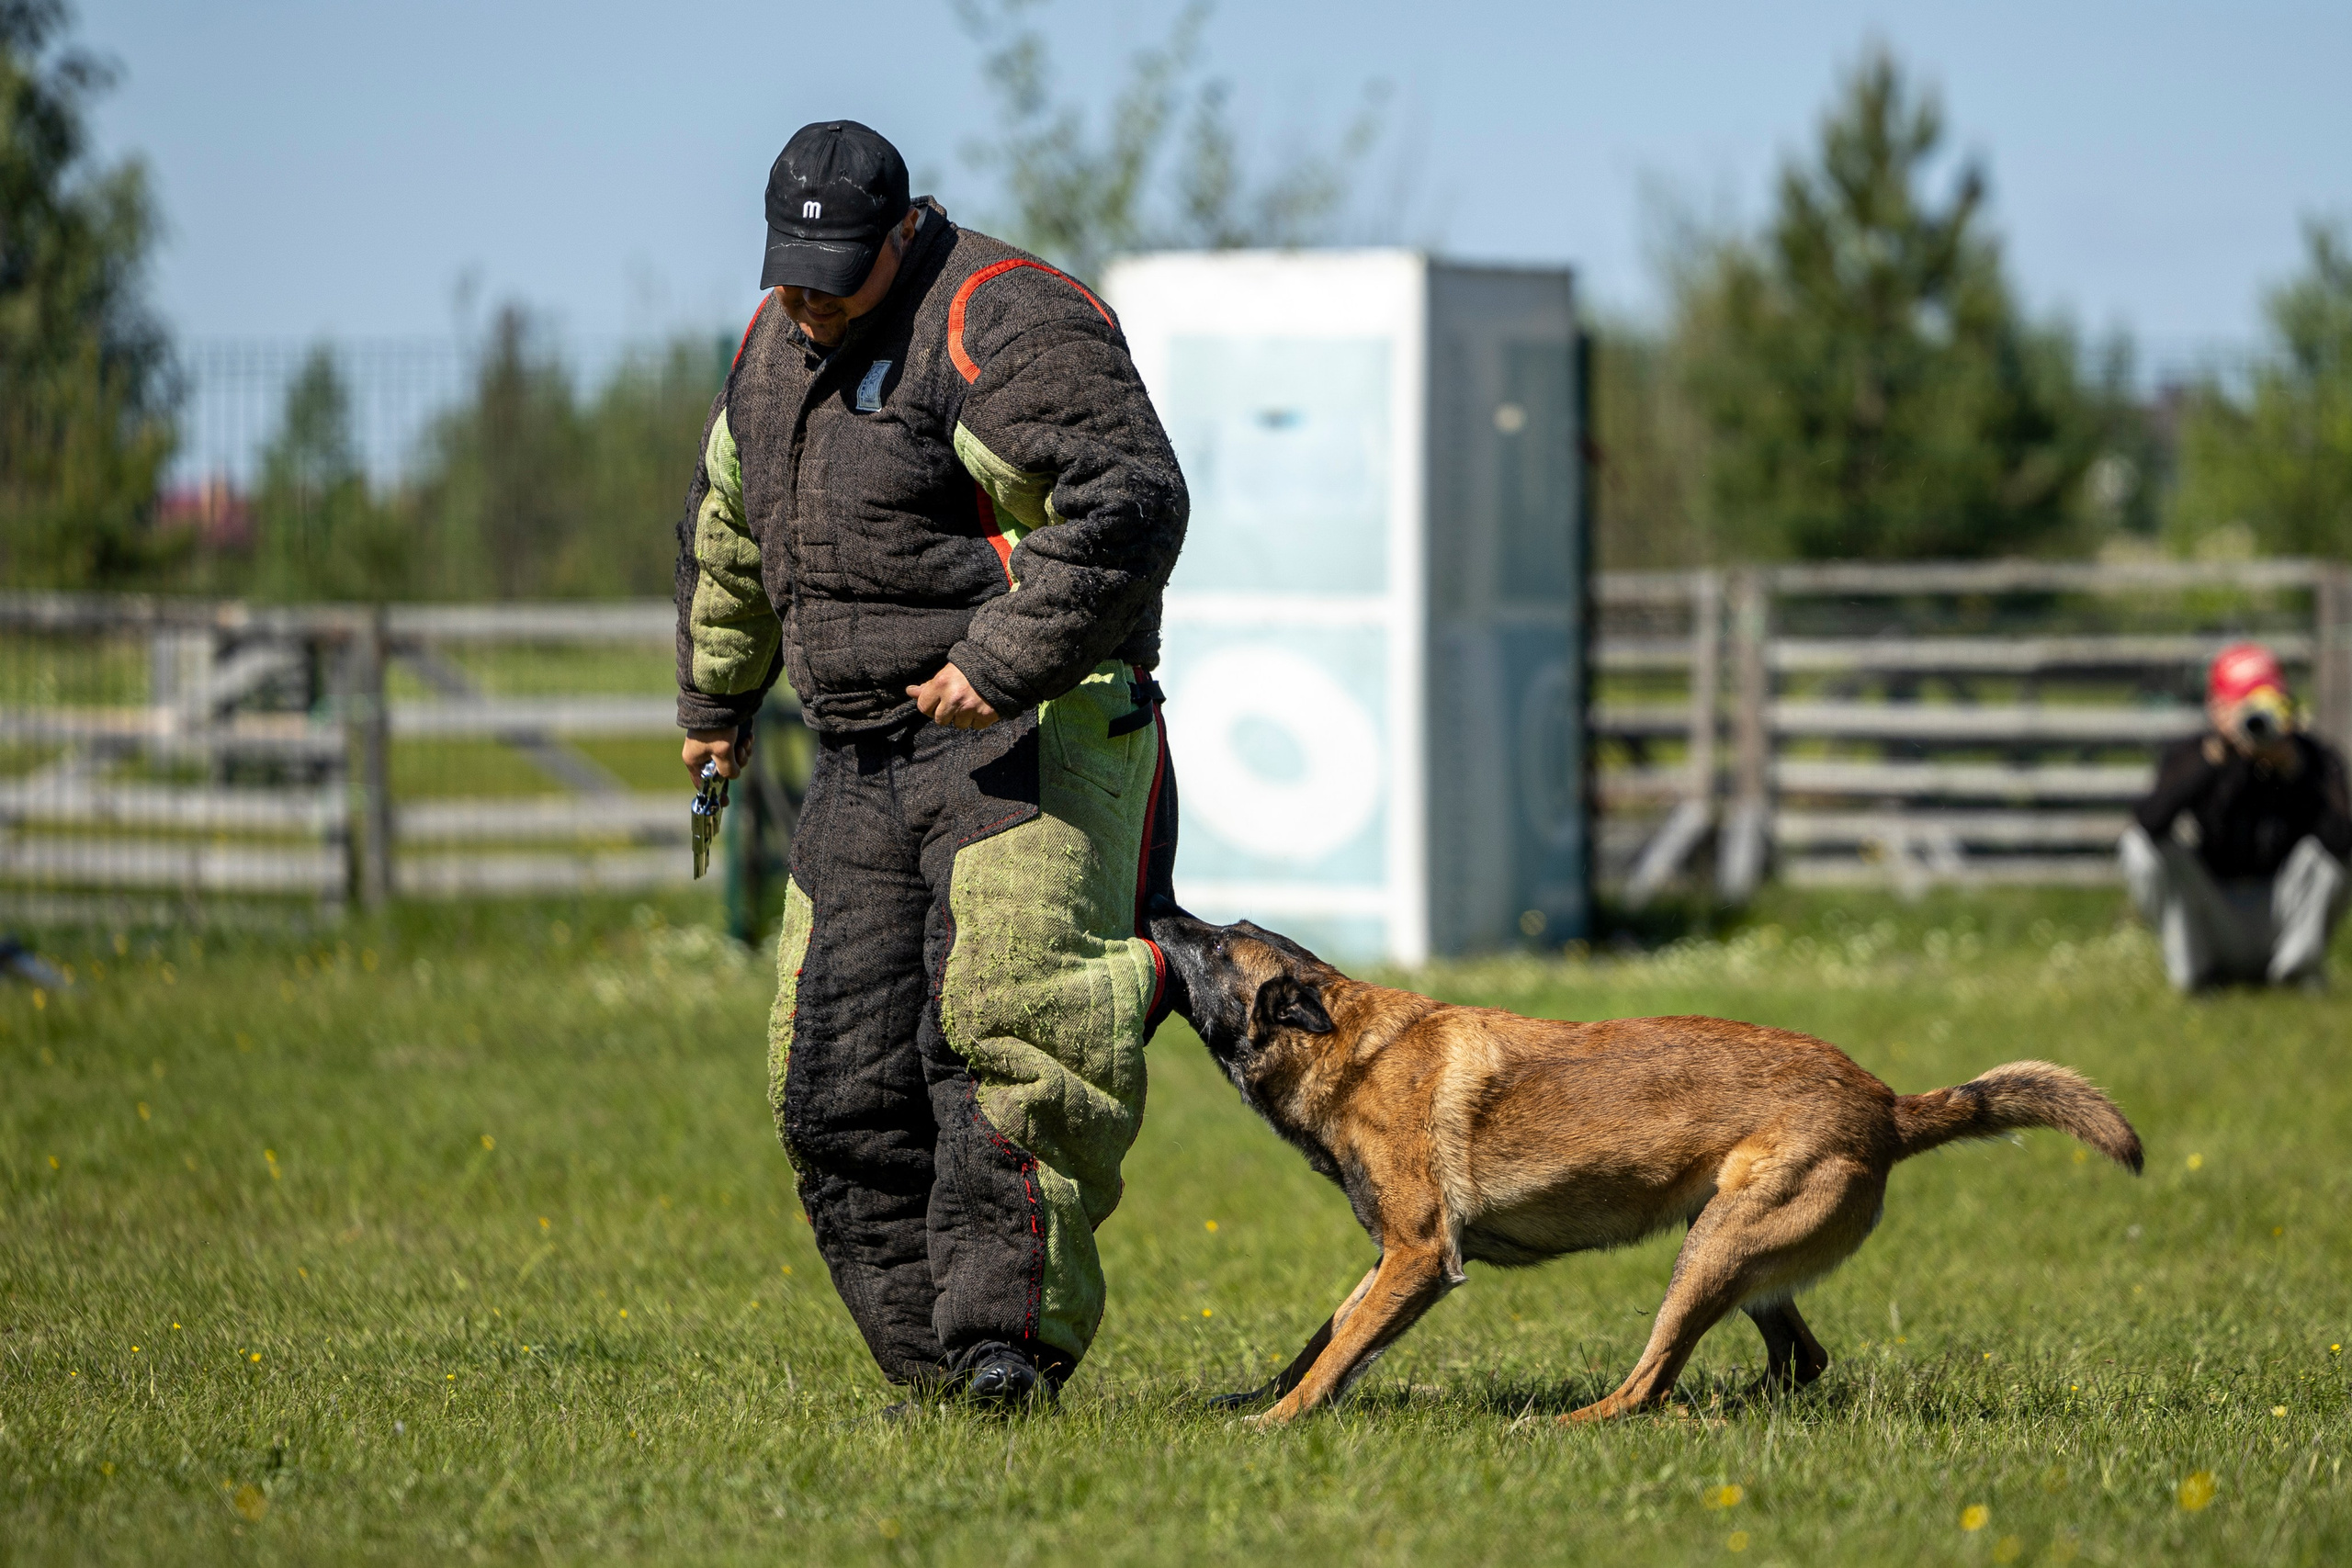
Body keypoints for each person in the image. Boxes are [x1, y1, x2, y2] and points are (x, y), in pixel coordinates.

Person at [673, 121, 1187, 1404]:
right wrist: (717, 697)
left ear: (902, 234)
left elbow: (1128, 496)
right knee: (831, 1082)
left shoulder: (1004, 321)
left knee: (1009, 1037)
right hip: (858, 749)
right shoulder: (767, 351)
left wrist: (1003, 658)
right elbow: (730, 528)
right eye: (789, 269)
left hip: (1028, 731)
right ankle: (937, 1372)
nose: (807, 297)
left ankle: (1004, 1346)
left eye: (835, 271)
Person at [2120, 642, 2352, 991]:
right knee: (2137, 846)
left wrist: (2295, 770)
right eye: (2244, 706)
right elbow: (2149, 822)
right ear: (2216, 708)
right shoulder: (2194, 755)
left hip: (2284, 910)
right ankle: (2196, 975)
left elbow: (2342, 841)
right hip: (2217, 913)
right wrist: (2215, 758)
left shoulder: (2313, 758)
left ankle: (2297, 971)